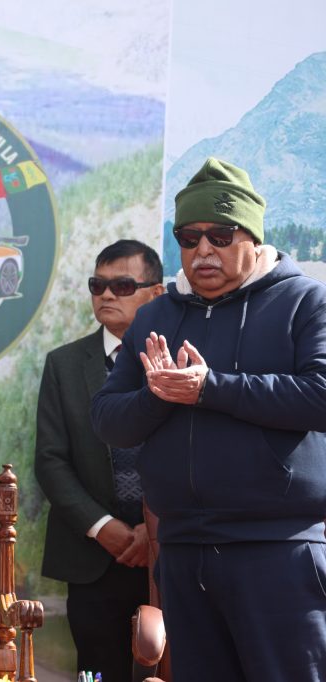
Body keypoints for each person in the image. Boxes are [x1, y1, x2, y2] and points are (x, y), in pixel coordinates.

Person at [92, 157, 326, 681]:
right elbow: (108, 420)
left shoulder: (305, 301)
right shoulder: (156, 315)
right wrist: (160, 395)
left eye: (220, 236)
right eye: (188, 237)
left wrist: (212, 388)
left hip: (278, 550)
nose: (202, 250)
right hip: (183, 553)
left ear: (253, 238)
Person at [35, 240, 164, 682]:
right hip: (93, 558)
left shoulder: (181, 361)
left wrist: (153, 529)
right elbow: (50, 461)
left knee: (175, 666)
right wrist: (102, 527)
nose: (107, 295)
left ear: (156, 293)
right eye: (98, 285)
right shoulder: (64, 364)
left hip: (169, 553)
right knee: (96, 673)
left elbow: (198, 456)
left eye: (122, 285)